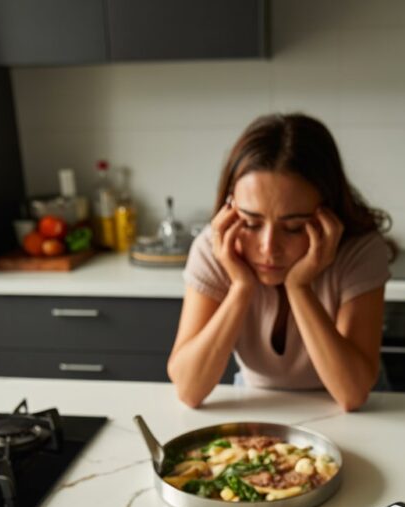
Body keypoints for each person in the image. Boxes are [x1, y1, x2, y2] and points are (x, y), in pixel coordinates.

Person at [167, 113, 391, 411]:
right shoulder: (216, 246)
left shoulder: (360, 251)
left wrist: (299, 286)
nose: (268, 248)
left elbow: (351, 394)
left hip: (357, 408)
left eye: (294, 227)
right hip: (258, 401)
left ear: (328, 217)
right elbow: (188, 389)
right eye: (250, 222)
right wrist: (240, 288)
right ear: (230, 208)